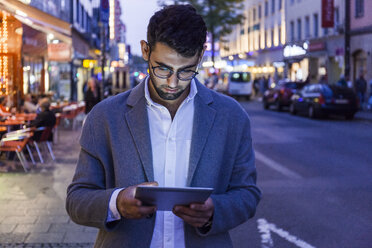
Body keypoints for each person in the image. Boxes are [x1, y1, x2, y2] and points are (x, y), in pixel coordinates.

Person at [66, 4, 261, 248]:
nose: (172, 82)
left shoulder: (232, 116)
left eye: (186, 71)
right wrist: (116, 203)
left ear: (200, 56)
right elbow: (76, 200)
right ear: (145, 51)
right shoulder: (105, 116)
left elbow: (248, 194)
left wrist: (214, 211)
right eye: (163, 68)